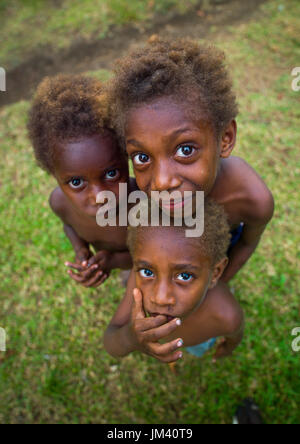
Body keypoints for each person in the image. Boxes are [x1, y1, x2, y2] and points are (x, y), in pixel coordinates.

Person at [109, 37, 274, 286]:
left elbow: (247, 243)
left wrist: (216, 286)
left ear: (225, 139)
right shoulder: (144, 199)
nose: (163, 181)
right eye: (142, 157)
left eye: (185, 150)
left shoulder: (252, 199)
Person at [28, 74, 137, 288]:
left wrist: (114, 261)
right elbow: (69, 225)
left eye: (112, 174)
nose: (99, 196)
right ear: (54, 174)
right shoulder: (59, 203)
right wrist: (81, 250)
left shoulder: (144, 203)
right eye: (77, 182)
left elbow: (156, 251)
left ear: (127, 155)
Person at [104, 200, 244, 363]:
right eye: (147, 272)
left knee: (195, 348)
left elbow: (234, 337)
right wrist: (130, 338)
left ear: (215, 273)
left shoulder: (226, 316)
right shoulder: (137, 286)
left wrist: (227, 349)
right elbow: (110, 340)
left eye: (184, 276)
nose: (160, 298)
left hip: (200, 338)